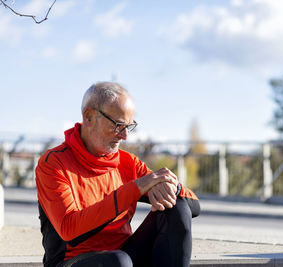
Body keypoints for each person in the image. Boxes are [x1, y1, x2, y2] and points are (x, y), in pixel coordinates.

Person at [35, 82, 200, 267]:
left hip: (125, 256)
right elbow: (69, 230)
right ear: (88, 117)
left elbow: (193, 205)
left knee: (177, 207)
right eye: (118, 125)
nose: (124, 136)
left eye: (128, 127)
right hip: (71, 262)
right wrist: (136, 188)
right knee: (118, 261)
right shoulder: (53, 163)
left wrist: (170, 185)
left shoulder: (129, 162)